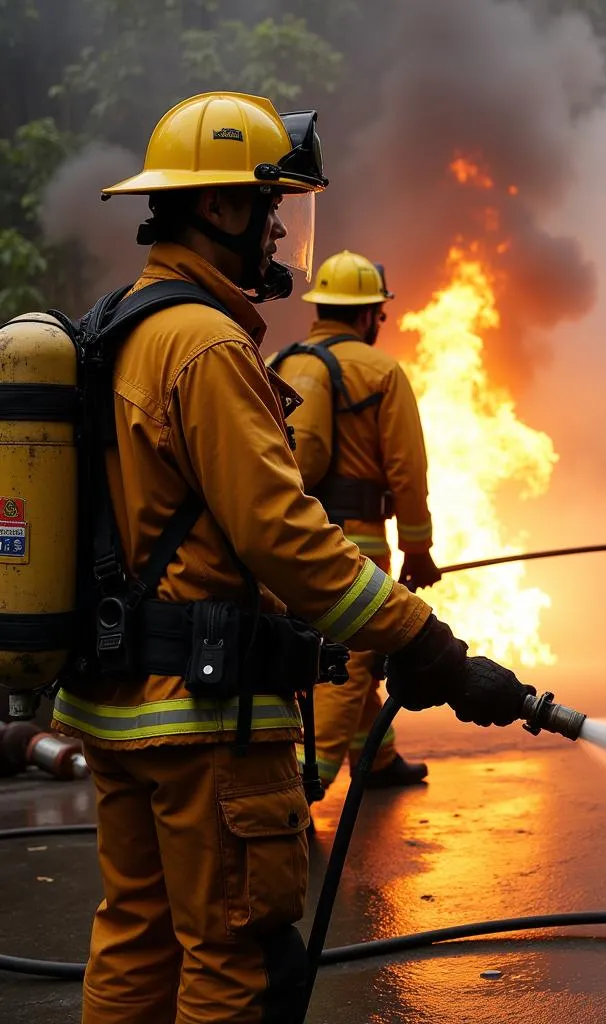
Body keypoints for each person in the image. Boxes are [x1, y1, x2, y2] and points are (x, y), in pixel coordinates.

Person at [48, 91, 534, 1023]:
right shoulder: (205, 343)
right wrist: (421, 640)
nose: (281, 235)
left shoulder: (121, 324)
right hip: (203, 717)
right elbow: (283, 536)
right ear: (222, 207)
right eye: (272, 209)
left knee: (136, 940)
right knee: (237, 959)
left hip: (120, 702)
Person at [270, 250, 440, 789]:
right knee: (352, 657)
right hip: (358, 541)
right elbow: (407, 471)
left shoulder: (276, 361)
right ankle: (303, 784)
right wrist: (418, 547)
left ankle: (378, 760)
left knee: (344, 649)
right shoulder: (381, 371)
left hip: (286, 537)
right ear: (368, 314)